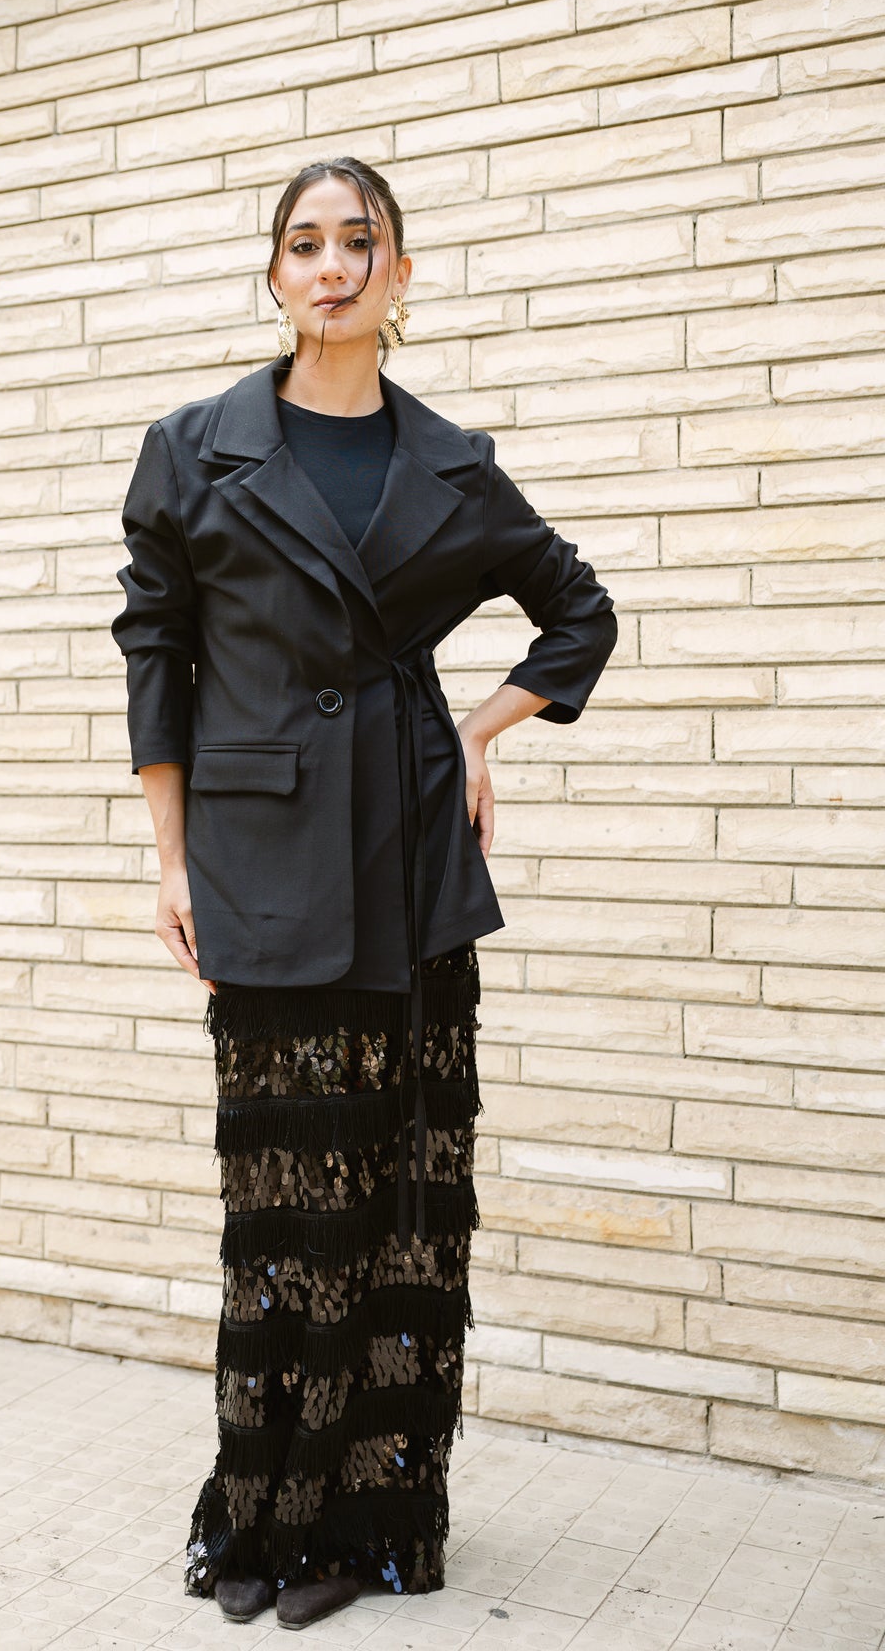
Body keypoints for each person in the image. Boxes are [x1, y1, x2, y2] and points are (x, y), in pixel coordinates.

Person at [111, 155, 618, 1632]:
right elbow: (157, 650)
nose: (331, 266)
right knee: (281, 1210)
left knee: (397, 1206)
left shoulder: (452, 465)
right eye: (304, 243)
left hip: (408, 859)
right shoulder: (195, 449)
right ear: (275, 274)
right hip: (261, 858)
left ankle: (368, 1525)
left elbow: (578, 609)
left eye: (358, 242)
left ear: (401, 274)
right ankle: (260, 1510)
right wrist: (169, 855)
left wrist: (481, 729)